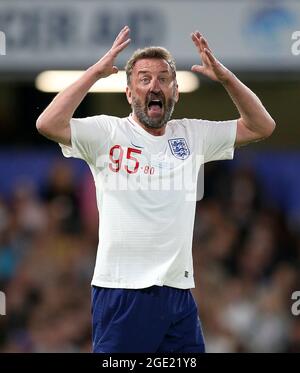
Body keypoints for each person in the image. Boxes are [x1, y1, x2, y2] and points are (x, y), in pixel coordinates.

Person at [36, 26, 275, 353]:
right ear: (130, 93)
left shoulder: (191, 135)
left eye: (164, 79)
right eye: (145, 79)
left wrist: (226, 79)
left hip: (178, 294)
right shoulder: (108, 133)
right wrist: (94, 72)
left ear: (175, 92)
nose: (155, 86)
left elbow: (261, 126)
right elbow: (48, 124)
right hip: (122, 291)